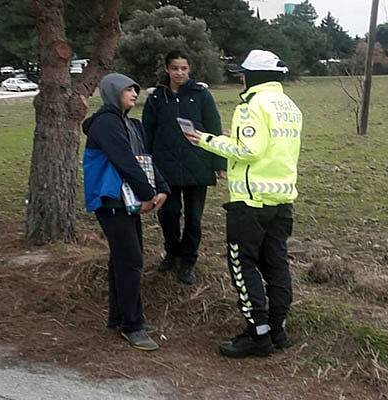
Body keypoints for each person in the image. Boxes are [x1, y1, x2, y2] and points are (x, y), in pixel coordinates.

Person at [182, 50, 302, 358]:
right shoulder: (290, 106)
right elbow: (267, 147)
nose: (242, 79)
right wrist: (233, 138)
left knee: (242, 263)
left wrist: (207, 140)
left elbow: (248, 151)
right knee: (276, 265)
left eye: (244, 73)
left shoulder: (251, 106)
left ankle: (257, 334)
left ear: (255, 76)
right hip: (281, 199)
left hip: (249, 201)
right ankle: (277, 330)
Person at [82, 73, 170, 351]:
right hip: (111, 200)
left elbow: (144, 159)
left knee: (124, 258)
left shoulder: (130, 124)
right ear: (112, 92)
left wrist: (162, 188)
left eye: (135, 89)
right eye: (127, 90)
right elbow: (124, 161)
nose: (134, 93)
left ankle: (119, 317)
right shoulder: (106, 124)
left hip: (127, 200)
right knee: (130, 259)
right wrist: (147, 194)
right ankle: (133, 325)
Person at [142, 49, 227, 285]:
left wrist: (220, 163)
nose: (179, 72)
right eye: (175, 68)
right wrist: (147, 165)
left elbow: (214, 127)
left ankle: (188, 262)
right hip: (164, 167)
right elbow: (147, 132)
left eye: (184, 68)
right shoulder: (157, 98)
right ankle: (172, 252)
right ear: (167, 69)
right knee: (168, 213)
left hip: (197, 166)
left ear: (189, 69)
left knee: (194, 219)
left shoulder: (201, 95)